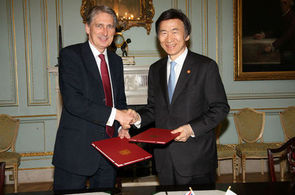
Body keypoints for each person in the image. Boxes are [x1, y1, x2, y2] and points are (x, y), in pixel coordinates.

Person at [130, 9, 230, 185]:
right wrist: (137, 117)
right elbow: (153, 109)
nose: (169, 38)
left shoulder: (205, 66)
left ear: (187, 35)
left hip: (197, 160)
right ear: (158, 37)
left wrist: (191, 129)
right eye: (163, 32)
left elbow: (220, 108)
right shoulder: (155, 69)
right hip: (164, 160)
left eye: (175, 31)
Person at [52, 5, 134, 191]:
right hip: (75, 152)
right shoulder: (70, 55)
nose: (105, 32)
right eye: (99, 26)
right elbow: (74, 102)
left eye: (110, 26)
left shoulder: (116, 61)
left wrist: (122, 126)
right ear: (87, 28)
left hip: (109, 152)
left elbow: (119, 101)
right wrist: (117, 115)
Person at [254, 0, 295, 66]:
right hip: (285, 47)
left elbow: (287, 35)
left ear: (288, 4)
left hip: (293, 50)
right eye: (281, 3)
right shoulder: (284, 16)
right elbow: (277, 31)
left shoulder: (294, 18)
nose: (281, 5)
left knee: (282, 57)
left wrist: (273, 46)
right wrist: (264, 35)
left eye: (284, 3)